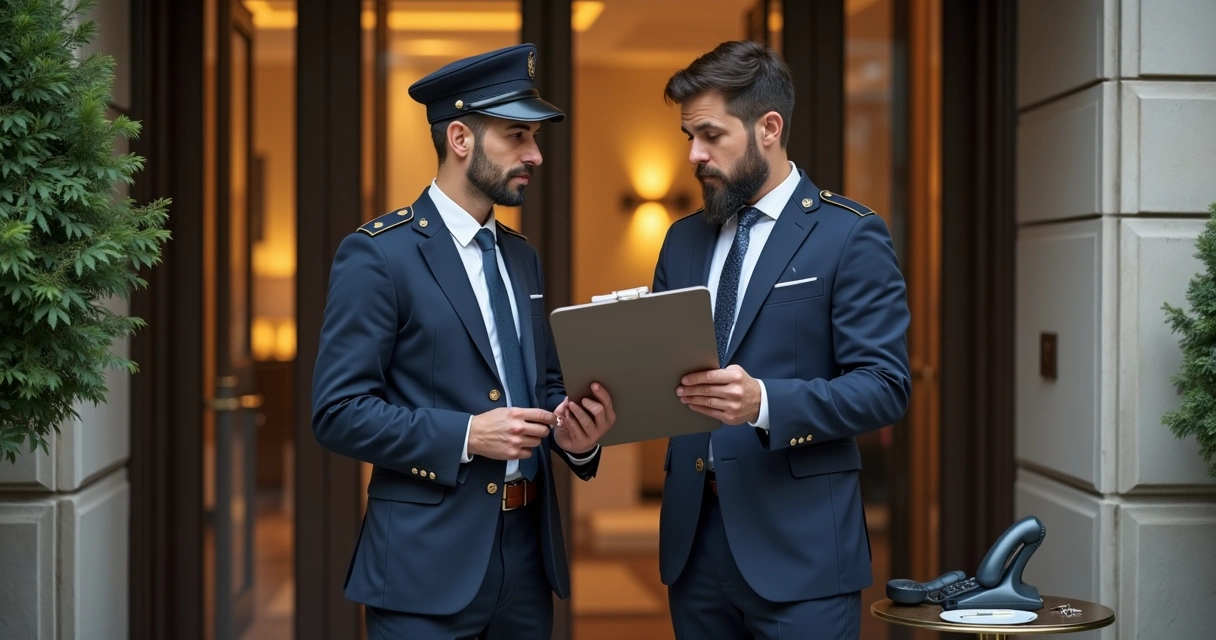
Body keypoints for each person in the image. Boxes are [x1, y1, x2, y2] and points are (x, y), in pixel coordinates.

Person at [311, 43, 617, 639]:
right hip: (423, 568)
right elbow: (338, 413)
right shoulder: (379, 254)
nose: (535, 154)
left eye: (535, 138)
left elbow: (545, 385)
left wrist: (578, 436)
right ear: (459, 139)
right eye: (517, 136)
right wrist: (469, 434)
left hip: (527, 563)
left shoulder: (522, 258)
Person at [652, 40, 912, 639]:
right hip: (694, 548)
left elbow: (883, 388)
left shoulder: (849, 235)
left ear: (769, 127)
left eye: (711, 136)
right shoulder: (681, 241)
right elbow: (669, 382)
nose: (694, 154)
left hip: (803, 556)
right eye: (688, 137)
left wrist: (764, 403)